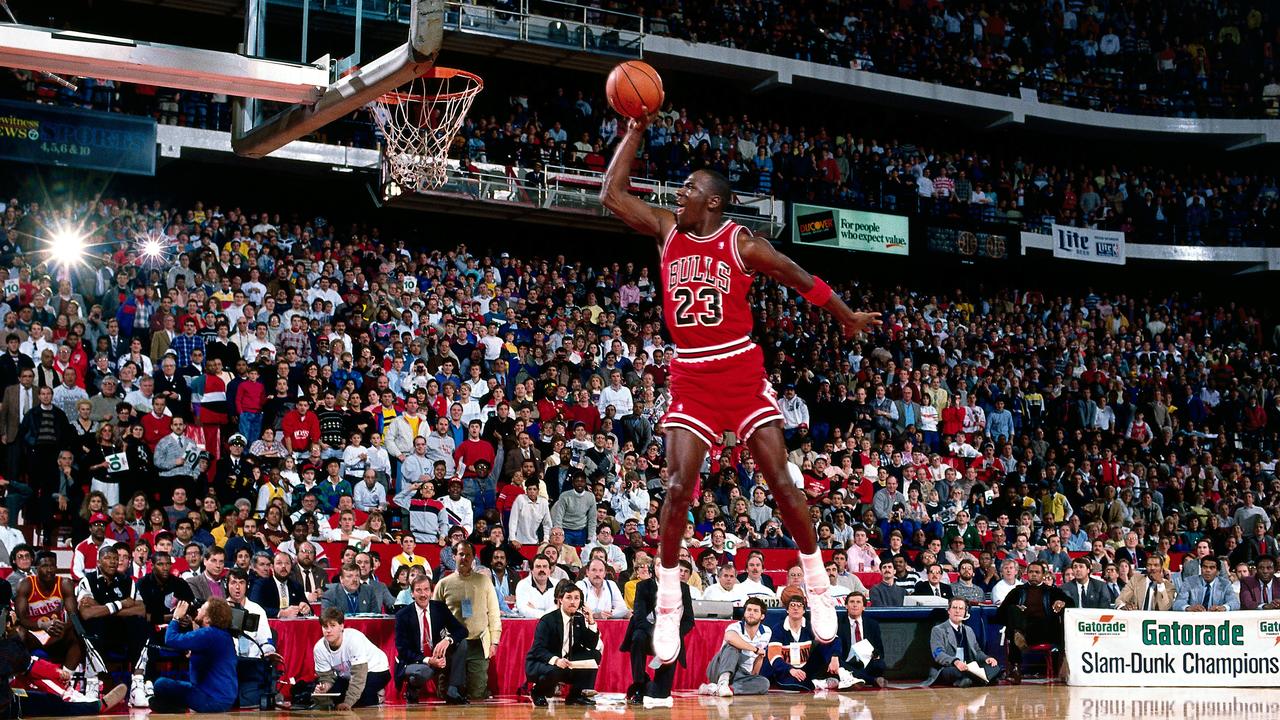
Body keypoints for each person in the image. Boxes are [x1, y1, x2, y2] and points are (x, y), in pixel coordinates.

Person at [601, 119, 880, 663]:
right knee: (679, 486)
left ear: (712, 203)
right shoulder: (666, 231)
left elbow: (799, 276)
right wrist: (634, 129)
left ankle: (818, 579)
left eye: (688, 191)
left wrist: (845, 315)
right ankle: (665, 597)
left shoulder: (743, 244)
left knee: (779, 478)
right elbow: (612, 193)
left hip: (740, 371)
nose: (677, 195)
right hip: (691, 375)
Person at [621, 559, 694, 707]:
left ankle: (649, 685)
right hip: (648, 635)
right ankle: (639, 684)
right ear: (653, 568)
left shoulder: (683, 588)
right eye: (659, 565)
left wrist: (672, 634)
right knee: (638, 636)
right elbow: (639, 618)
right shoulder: (643, 586)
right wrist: (659, 633)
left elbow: (688, 620)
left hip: (670, 639)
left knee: (661, 694)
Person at [434, 542, 501, 700]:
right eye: (461, 554)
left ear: (473, 558)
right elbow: (435, 617)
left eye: (468, 555)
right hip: (453, 645)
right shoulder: (443, 584)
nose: (464, 558)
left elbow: (493, 613)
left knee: (477, 694)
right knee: (445, 695)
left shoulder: (484, 581)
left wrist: (494, 641)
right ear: (454, 556)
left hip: (478, 642)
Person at [148, 599, 238, 713]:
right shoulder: (222, 635)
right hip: (223, 698)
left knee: (161, 684)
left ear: (208, 618)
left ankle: (174, 707)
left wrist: (176, 618)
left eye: (202, 609)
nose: (198, 610)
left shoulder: (208, 634)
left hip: (212, 700)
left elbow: (170, 639)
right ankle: (172, 707)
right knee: (168, 690)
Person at [393, 575, 469, 705]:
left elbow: (462, 631)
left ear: (431, 592)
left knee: (462, 643)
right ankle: (412, 689)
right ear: (412, 594)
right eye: (419, 590)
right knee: (422, 672)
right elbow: (403, 650)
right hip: (417, 660)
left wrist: (448, 640)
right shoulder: (403, 615)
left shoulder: (440, 608)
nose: (423, 594)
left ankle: (452, 690)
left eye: (426, 589)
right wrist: (428, 660)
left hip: (438, 655)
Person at [524, 581, 602, 707]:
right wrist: (556, 660)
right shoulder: (548, 620)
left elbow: (591, 644)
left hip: (567, 660)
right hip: (544, 662)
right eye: (569, 597)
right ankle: (538, 692)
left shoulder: (579, 618)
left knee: (595, 655)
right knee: (555, 670)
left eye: (576, 598)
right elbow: (538, 649)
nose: (573, 602)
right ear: (560, 599)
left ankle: (576, 695)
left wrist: (591, 621)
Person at [995, 561, 1071, 683]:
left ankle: (1018, 648)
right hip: (1025, 630)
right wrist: (1016, 610)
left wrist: (1062, 603)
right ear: (1026, 574)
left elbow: (1071, 603)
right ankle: (1016, 667)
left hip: (1045, 630)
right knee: (1012, 611)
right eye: (1031, 572)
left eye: (1037, 572)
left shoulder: (1051, 591)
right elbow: (1000, 614)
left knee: (1020, 630)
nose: (1034, 575)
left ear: (1043, 574)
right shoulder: (1018, 591)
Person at [14, 551, 82, 676]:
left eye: (52, 566)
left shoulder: (64, 583)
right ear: (36, 568)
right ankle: (20, 676)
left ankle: (66, 677)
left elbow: (73, 616)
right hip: (34, 632)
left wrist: (63, 627)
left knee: (77, 634)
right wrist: (42, 626)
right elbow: (22, 619)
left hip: (56, 632)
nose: (49, 570)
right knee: (20, 633)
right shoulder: (26, 584)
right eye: (45, 566)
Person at [311, 608, 391, 709]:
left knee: (360, 699)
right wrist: (325, 687)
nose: (328, 630)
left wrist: (348, 703)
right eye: (325, 626)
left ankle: (378, 696)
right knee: (335, 697)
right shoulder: (319, 648)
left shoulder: (354, 640)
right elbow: (326, 677)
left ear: (341, 626)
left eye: (332, 625)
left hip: (376, 669)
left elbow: (359, 676)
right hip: (348, 676)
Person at [765, 593, 841, 691]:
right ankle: (819, 684)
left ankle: (842, 674)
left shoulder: (811, 626)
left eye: (799, 606)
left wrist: (835, 657)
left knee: (827, 644)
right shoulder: (778, 629)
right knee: (796, 685)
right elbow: (773, 656)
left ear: (804, 610)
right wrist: (790, 669)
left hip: (808, 668)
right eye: (792, 605)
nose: (796, 608)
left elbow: (834, 639)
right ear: (787, 610)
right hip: (788, 670)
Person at [698, 595, 771, 697]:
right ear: (744, 613)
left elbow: (756, 664)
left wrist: (759, 659)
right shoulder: (735, 626)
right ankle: (723, 682)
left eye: (755, 611)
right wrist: (755, 649)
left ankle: (716, 689)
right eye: (749, 610)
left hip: (741, 674)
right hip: (719, 668)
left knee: (764, 683)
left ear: (762, 616)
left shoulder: (766, 632)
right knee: (732, 646)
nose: (751, 613)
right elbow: (730, 638)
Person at [926, 598, 1002, 687]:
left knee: (995, 667)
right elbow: (938, 654)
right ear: (949, 611)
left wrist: (986, 658)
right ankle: (982, 680)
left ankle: (970, 680)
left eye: (961, 608)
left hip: (969, 667)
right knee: (957, 672)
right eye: (954, 608)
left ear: (965, 612)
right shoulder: (938, 630)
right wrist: (956, 662)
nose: (957, 611)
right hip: (949, 667)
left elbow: (977, 651)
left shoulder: (969, 630)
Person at [1173, 555, 1240, 611]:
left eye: (1212, 568)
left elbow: (1235, 602)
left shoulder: (1225, 584)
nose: (1207, 570)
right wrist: (1188, 607)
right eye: (1205, 567)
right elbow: (1178, 603)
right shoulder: (1189, 582)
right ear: (1201, 569)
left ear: (1218, 572)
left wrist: (1224, 607)